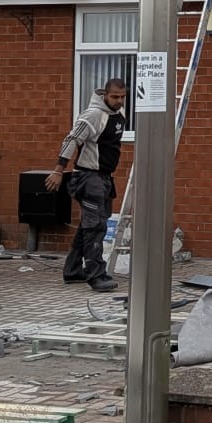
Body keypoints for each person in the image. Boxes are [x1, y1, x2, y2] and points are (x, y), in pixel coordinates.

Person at [46, 77, 128, 292]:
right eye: (115, 97)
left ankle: (73, 271)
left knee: (89, 225)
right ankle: (96, 275)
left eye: (122, 97)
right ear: (105, 95)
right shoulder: (93, 114)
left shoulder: (119, 116)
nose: (119, 101)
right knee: (95, 227)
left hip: (104, 178)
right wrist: (58, 170)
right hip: (88, 178)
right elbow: (71, 139)